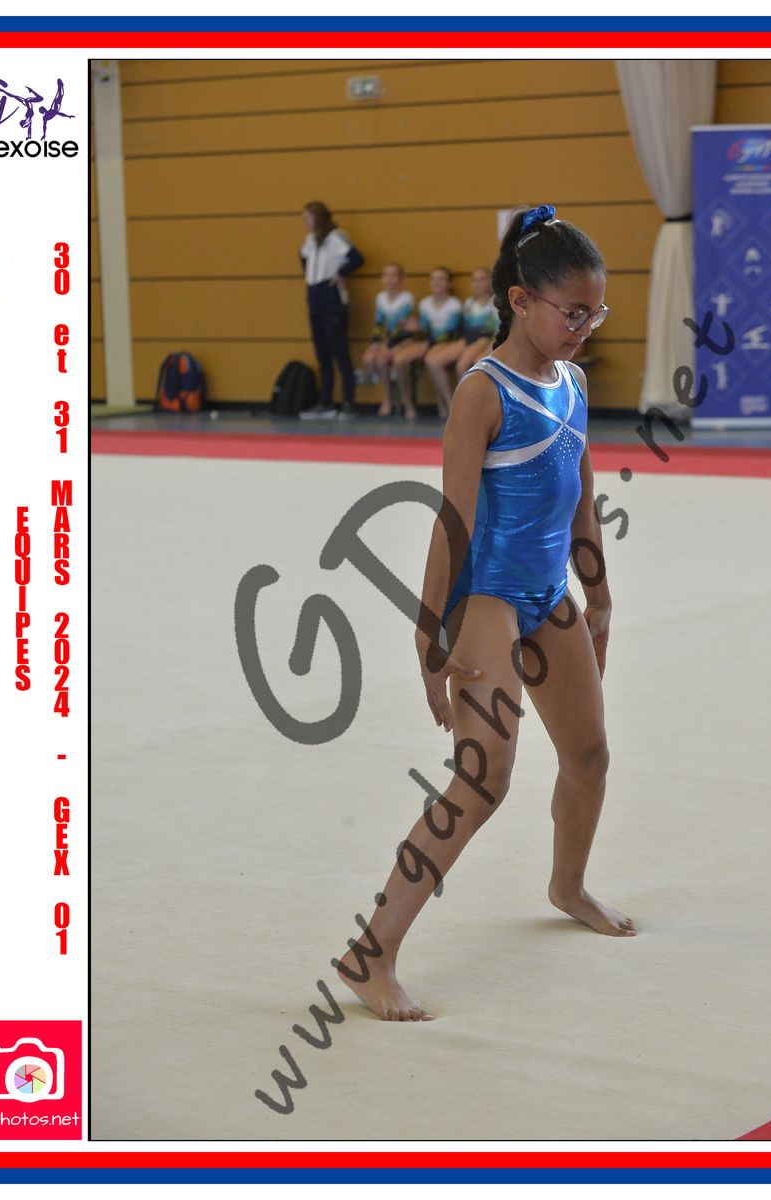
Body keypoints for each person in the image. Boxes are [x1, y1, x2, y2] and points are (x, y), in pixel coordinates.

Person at [333, 205, 629, 1023]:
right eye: (573, 313)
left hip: (547, 593)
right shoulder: (481, 393)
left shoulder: (570, 382)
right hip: (485, 598)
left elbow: (580, 498)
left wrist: (599, 594)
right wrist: (429, 635)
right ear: (520, 301)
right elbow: (452, 522)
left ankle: (567, 886)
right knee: (482, 778)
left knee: (590, 755)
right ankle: (370, 954)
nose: (585, 328)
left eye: (595, 313)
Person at [298, 201, 364, 419]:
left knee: (340, 352)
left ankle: (348, 401)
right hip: (314, 296)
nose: (305, 223)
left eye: (307, 218)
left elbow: (357, 258)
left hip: (331, 297)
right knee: (323, 354)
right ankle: (325, 401)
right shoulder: (310, 240)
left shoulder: (335, 237)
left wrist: (340, 273)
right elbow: (303, 258)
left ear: (317, 217)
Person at [391, 266, 463, 420]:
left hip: (447, 343)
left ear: (449, 283)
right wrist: (415, 329)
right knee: (399, 360)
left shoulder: (454, 305)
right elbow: (424, 330)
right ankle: (407, 403)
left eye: (441, 279)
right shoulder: (425, 304)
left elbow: (450, 333)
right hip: (428, 342)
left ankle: (450, 404)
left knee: (432, 359)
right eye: (433, 279)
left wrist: (427, 341)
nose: (436, 283)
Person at [362, 263, 416, 418]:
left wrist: (388, 346)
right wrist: (375, 343)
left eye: (393, 275)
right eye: (386, 275)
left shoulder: (407, 298)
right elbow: (379, 324)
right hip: (389, 340)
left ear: (401, 279)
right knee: (369, 359)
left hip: (405, 340)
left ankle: (407, 402)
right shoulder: (380, 298)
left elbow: (402, 327)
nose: (389, 279)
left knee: (385, 361)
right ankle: (387, 398)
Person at [454, 266, 500, 378]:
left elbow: (498, 331)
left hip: (489, 339)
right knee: (437, 360)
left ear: (490, 281)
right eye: (474, 280)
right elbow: (466, 327)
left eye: (482, 280)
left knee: (466, 365)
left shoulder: (496, 303)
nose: (477, 284)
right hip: (472, 339)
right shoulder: (469, 303)